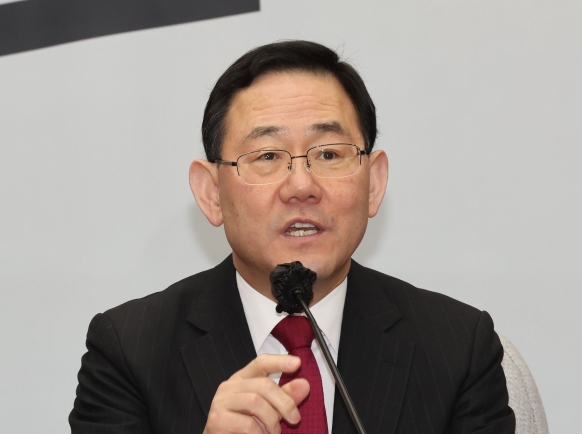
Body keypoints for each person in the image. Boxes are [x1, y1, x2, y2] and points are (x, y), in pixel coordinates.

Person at [70, 40, 515, 434]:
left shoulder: (457, 349)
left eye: (328, 153)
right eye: (266, 155)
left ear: (374, 183)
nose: (301, 185)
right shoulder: (129, 352)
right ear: (211, 194)